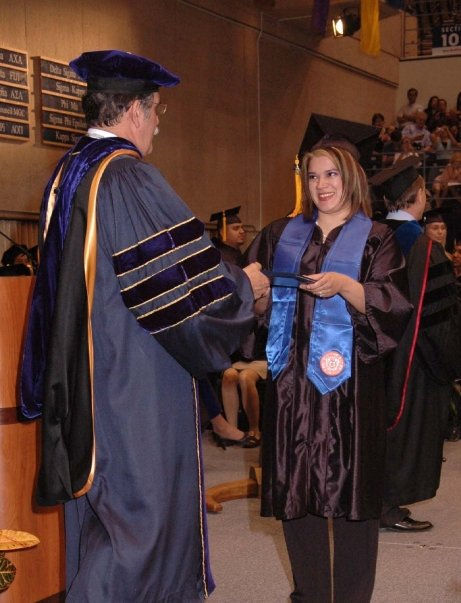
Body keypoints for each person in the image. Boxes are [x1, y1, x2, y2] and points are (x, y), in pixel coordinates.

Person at [19, 50, 270, 601]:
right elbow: (177, 290)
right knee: (143, 531)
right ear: (134, 109)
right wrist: (242, 288)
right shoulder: (127, 177)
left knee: (103, 524)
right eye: (157, 110)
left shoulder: (68, 172)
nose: (158, 122)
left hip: (89, 383)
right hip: (133, 383)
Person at [250, 137, 412, 602]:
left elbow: (392, 305)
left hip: (351, 390)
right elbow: (259, 311)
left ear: (351, 177)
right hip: (292, 388)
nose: (321, 185)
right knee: (296, 493)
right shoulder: (280, 234)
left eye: (331, 174)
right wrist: (256, 295)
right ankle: (310, 595)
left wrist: (345, 284)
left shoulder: (377, 237)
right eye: (313, 176)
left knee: (353, 496)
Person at [370, 158, 460, 532]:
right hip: (413, 361)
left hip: (373, 353)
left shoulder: (372, 236)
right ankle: (387, 506)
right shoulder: (422, 246)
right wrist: (450, 361)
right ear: (419, 196)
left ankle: (368, 499)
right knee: (405, 432)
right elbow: (436, 317)